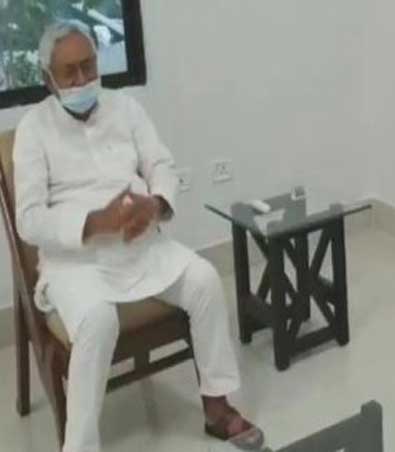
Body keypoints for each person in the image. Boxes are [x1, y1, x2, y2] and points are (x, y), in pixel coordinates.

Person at [13, 20, 265, 452]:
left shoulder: (125, 108)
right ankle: (79, 447)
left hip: (142, 247)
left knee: (204, 280)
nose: (83, 79)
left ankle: (217, 406)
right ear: (47, 78)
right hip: (77, 263)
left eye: (89, 66)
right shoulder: (33, 129)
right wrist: (96, 222)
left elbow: (161, 165)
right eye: (70, 71)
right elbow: (30, 220)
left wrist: (156, 203)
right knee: (98, 320)